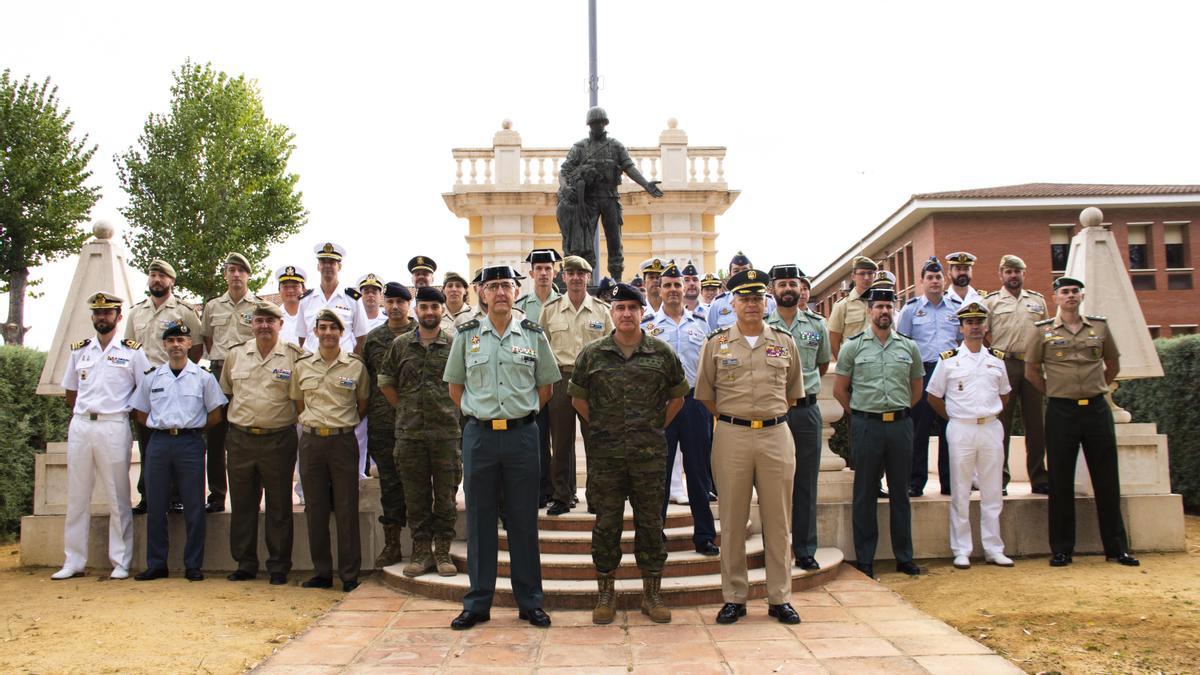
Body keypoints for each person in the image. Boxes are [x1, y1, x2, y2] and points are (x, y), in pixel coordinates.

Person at [443, 265, 559, 630]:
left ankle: (530, 601)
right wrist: (482, 415)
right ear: (481, 292)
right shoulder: (466, 334)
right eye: (493, 286)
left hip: (522, 436)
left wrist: (518, 418)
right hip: (480, 436)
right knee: (479, 520)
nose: (500, 293)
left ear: (515, 290)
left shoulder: (532, 333)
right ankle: (478, 603)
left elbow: (545, 388)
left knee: (524, 520)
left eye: (506, 285)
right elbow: (456, 387)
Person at [571, 282, 688, 624]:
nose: (625, 314)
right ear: (612, 313)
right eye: (619, 308)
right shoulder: (593, 354)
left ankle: (651, 594)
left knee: (651, 524)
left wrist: (652, 426)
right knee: (606, 525)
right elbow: (578, 399)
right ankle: (605, 593)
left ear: (641, 313)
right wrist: (608, 426)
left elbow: (678, 397)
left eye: (631, 308)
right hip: (606, 457)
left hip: (649, 457)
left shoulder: (661, 353)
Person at [695, 269, 805, 626]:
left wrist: (764, 418)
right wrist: (738, 418)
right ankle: (734, 597)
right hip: (732, 436)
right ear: (733, 303)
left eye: (757, 298)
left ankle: (779, 597)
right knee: (731, 521)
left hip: (776, 435)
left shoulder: (784, 341)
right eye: (745, 298)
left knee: (778, 521)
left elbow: (792, 393)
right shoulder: (717, 343)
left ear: (766, 302)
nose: (752, 305)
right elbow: (707, 395)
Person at [1025, 277, 1139, 568]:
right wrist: (1055, 392)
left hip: (1097, 410)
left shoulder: (1099, 327)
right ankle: (1062, 549)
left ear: (1082, 296)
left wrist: (1096, 387)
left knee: (1107, 480)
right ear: (1056, 298)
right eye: (1065, 292)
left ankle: (1117, 548)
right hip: (1061, 412)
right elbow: (1031, 371)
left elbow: (1112, 364)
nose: (1071, 296)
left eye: (1075, 291)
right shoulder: (1042, 331)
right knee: (1060, 481)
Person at [52, 292, 151, 581]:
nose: (102, 318)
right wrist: (84, 413)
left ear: (119, 318)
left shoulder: (132, 351)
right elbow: (71, 391)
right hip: (82, 424)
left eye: (107, 313)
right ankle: (73, 560)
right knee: (77, 496)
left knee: (118, 496)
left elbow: (143, 391)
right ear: (92, 317)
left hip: (113, 424)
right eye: (97, 313)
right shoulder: (79, 350)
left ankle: (120, 561)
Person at [833, 285, 925, 579]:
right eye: (879, 307)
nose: (884, 311)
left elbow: (916, 389)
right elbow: (839, 390)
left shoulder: (908, 347)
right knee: (865, 493)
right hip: (866, 426)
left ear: (893, 310)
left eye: (888, 306)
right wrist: (862, 413)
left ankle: (904, 557)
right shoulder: (853, 346)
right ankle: (866, 559)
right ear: (870, 310)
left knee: (901, 492)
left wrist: (896, 412)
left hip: (899, 426)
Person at [132, 323, 226, 581]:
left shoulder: (203, 377)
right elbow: (140, 412)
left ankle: (193, 564)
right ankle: (156, 563)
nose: (175, 345)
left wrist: (192, 427)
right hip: (160, 443)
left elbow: (216, 413)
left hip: (190, 443)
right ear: (164, 345)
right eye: (171, 340)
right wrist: (162, 426)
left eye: (181, 340)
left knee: (194, 506)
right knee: (156, 504)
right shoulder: (152, 377)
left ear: (189, 344)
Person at [219, 302, 305, 585]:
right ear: (251, 324)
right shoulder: (235, 356)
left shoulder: (294, 356)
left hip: (278, 439)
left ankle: (279, 565)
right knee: (243, 504)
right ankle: (245, 563)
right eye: (259, 320)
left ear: (281, 324)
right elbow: (227, 393)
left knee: (279, 505)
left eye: (270, 320)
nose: (264, 325)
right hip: (241, 439)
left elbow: (299, 399)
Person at [380, 287, 462, 577]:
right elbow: (386, 381)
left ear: (442, 311)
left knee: (444, 497)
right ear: (416, 310)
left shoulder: (454, 344)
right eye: (424, 307)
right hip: (410, 435)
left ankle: (442, 551)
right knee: (414, 497)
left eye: (434, 307)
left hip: (446, 434)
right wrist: (404, 408)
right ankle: (420, 550)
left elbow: (465, 386)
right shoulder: (401, 345)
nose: (429, 312)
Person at [926, 302, 1015, 569]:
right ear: (961, 327)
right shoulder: (949, 359)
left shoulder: (996, 359)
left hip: (989, 427)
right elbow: (933, 396)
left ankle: (994, 547)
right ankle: (961, 548)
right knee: (961, 490)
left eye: (979, 322)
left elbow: (1005, 394)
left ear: (985, 326)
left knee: (992, 490)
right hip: (961, 428)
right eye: (969, 323)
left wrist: (987, 413)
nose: (975, 327)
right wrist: (955, 416)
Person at [290, 309, 371, 592]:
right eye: (322, 328)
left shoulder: (355, 366)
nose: (327, 333)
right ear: (315, 332)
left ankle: (350, 574)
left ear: (342, 333)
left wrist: (338, 425)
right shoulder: (302, 366)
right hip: (312, 443)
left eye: (333, 328)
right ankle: (322, 572)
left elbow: (362, 405)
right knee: (315, 508)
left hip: (342, 442)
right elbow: (298, 403)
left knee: (347, 508)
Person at [645, 263, 719, 555]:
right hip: (661, 406)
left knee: (698, 471)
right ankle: (655, 535)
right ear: (659, 290)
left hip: (695, 404)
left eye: (678, 285)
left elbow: (713, 365)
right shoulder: (647, 325)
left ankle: (704, 536)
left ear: (687, 288)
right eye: (668, 285)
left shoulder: (701, 324)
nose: (673, 290)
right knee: (658, 473)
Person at [765, 264, 831, 571]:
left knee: (806, 482)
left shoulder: (816, 325)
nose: (788, 288)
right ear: (772, 290)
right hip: (775, 413)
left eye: (793, 283)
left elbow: (820, 367)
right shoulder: (763, 326)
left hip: (806, 412)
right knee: (773, 485)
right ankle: (776, 549)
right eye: (782, 284)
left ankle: (805, 549)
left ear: (800, 288)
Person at [538, 255, 613, 516]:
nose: (576, 278)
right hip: (561, 378)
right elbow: (541, 348)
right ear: (564, 277)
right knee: (560, 442)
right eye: (571, 273)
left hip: (593, 382)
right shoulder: (551, 310)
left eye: (581, 274)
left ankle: (596, 496)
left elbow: (611, 348)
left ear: (588, 278)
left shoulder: (603, 310)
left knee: (596, 440)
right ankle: (562, 496)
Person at [125, 260, 201, 515]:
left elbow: (197, 346)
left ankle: (177, 496)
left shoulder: (184, 311)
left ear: (172, 281)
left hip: (176, 382)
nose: (157, 279)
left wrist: (180, 373)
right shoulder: (136, 312)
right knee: (148, 442)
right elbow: (130, 349)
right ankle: (148, 495)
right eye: (153, 275)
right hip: (146, 385)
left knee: (177, 437)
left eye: (162, 276)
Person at [558, 106, 664, 280]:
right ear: (589, 125)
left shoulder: (616, 146)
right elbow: (564, 171)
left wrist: (646, 185)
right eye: (593, 123)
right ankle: (587, 282)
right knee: (585, 244)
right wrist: (565, 187)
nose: (597, 127)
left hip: (610, 198)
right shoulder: (580, 147)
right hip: (589, 200)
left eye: (600, 123)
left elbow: (629, 167)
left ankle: (617, 282)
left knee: (615, 242)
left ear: (605, 124)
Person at [200, 252, 263, 513]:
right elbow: (206, 340)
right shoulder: (213, 306)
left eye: (241, 270)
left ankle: (250, 496)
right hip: (217, 373)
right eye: (231, 270)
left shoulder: (257, 306)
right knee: (215, 435)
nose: (236, 274)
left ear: (248, 275)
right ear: (225, 274)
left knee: (249, 435)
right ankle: (216, 495)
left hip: (248, 375)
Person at [361, 282, 416, 567]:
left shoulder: (423, 334)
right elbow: (367, 382)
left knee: (419, 486)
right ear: (384, 304)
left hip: (418, 425)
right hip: (383, 426)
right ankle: (392, 545)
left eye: (400, 301)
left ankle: (423, 545)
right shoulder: (374, 339)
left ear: (410, 304)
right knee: (390, 487)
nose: (395, 307)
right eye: (390, 301)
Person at [984, 255, 1049, 493]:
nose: (1013, 276)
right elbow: (984, 333)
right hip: (1004, 365)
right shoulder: (991, 302)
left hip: (1032, 365)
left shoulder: (1038, 301)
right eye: (1008, 272)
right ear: (1001, 274)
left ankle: (1039, 478)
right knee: (1001, 424)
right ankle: (999, 478)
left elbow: (1047, 334)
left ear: (1024, 273)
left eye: (1017, 271)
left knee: (1036, 425)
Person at [896, 256, 958, 497]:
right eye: (930, 277)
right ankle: (916, 481)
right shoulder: (912, 309)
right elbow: (902, 345)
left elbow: (961, 343)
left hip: (950, 374)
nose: (934, 281)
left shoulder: (956, 308)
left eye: (938, 277)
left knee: (949, 428)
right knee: (918, 430)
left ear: (945, 280)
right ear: (922, 281)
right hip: (922, 372)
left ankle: (949, 481)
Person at [514, 248, 563, 507]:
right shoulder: (520, 307)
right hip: (531, 382)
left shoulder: (563, 303)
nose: (544, 273)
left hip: (560, 381)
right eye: (539, 269)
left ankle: (564, 490)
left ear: (555, 272)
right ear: (531, 273)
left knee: (562, 438)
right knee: (538, 436)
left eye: (548, 268)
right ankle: (543, 488)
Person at [298, 242, 368, 354]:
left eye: (332, 262)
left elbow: (362, 337)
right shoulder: (305, 300)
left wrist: (351, 360)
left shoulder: (353, 299)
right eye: (323, 262)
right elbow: (302, 336)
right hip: (312, 364)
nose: (327, 266)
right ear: (318, 266)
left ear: (339, 267)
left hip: (343, 364)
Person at [705, 252, 777, 330]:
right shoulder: (718, 304)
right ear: (730, 275)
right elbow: (712, 334)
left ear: (752, 273)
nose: (741, 274)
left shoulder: (769, 302)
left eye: (745, 270)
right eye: (736, 271)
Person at [827, 255, 877, 356]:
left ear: (875, 276)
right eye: (862, 273)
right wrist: (844, 365)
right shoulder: (842, 306)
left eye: (870, 273)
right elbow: (834, 341)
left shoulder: (881, 304)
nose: (866, 277)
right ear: (853, 276)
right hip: (854, 364)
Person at [275, 265, 308, 347]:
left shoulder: (311, 315)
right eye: (285, 287)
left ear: (303, 290)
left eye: (295, 286)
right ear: (279, 290)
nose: (290, 290)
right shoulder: (273, 317)